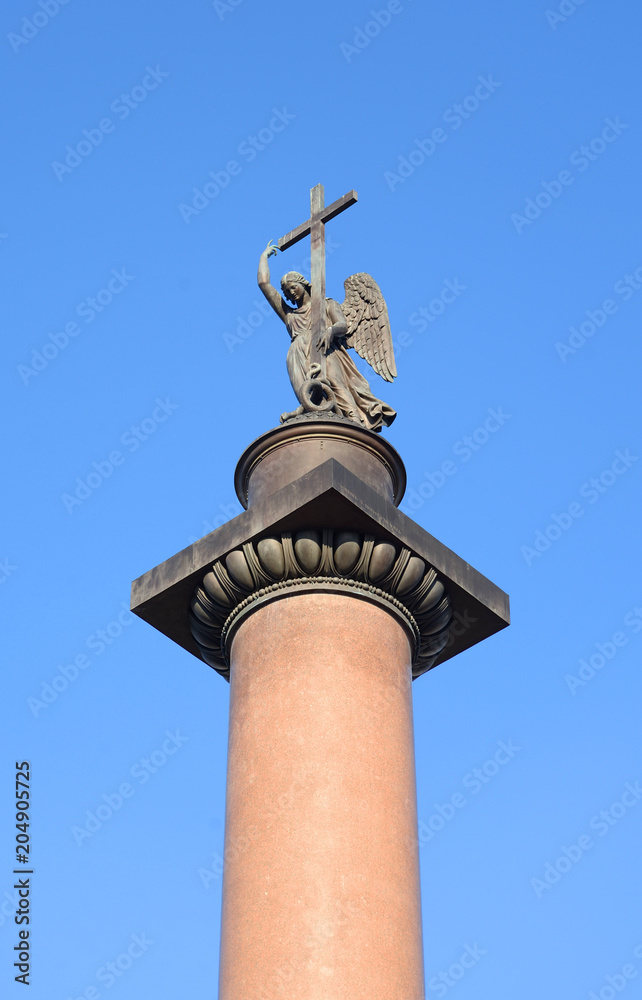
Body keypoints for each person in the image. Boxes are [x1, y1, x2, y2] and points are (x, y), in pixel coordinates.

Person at [257, 241, 396, 431]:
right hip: (297, 352)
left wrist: (330, 331)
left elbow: (343, 324)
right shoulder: (289, 315)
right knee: (307, 391)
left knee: (336, 384)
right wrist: (264, 257)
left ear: (303, 284)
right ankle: (313, 418)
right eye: (287, 291)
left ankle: (355, 423)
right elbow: (264, 284)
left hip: (326, 348)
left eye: (293, 287)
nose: (290, 293)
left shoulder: (327, 304)